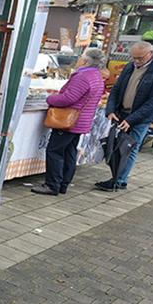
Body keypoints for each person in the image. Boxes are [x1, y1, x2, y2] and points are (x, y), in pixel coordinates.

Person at [95, 40, 153, 192]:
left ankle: (119, 180)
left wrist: (131, 119)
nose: (136, 61)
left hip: (141, 117)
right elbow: (116, 89)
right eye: (133, 57)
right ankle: (117, 176)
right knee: (116, 145)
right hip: (123, 112)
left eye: (140, 58)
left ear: (150, 54)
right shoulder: (130, 67)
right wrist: (111, 109)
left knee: (130, 147)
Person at [32, 48, 106, 196]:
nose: (78, 59)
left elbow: (68, 98)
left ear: (85, 61)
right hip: (81, 121)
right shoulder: (96, 76)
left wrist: (50, 98)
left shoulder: (82, 76)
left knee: (55, 151)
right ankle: (63, 184)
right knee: (69, 152)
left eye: (81, 57)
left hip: (69, 120)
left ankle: (52, 184)